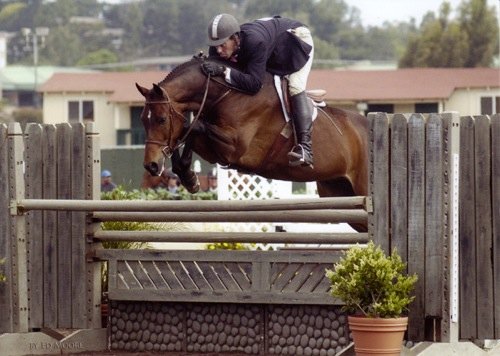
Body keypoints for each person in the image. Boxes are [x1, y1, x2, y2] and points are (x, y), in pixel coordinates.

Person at [202, 14, 315, 168]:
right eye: (215, 46)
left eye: (222, 45)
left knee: (295, 85)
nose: (218, 50)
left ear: (235, 38)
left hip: (294, 41)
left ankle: (305, 147)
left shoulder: (255, 42)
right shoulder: (219, 47)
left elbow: (254, 84)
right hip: (272, 41)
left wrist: (223, 70)